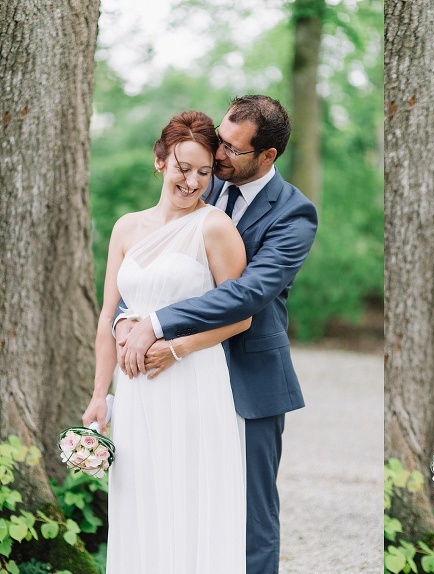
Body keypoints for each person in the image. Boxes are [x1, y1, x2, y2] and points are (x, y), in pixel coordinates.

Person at [114, 95, 318, 574]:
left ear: (267, 156)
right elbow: (155, 266)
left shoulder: (294, 214)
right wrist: (128, 317)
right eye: (220, 141)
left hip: (249, 378)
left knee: (250, 521)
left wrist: (159, 323)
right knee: (176, 505)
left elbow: (249, 294)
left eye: (232, 149)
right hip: (176, 385)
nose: (218, 155)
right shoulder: (200, 185)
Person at [82, 110, 251, 573]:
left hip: (193, 379)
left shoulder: (214, 228)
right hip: (135, 389)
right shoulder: (125, 227)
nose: (193, 181)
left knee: (191, 495)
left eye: (203, 171)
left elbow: (240, 318)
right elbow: (108, 315)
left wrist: (177, 348)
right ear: (160, 160)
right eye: (183, 167)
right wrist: (101, 395)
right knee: (141, 494)